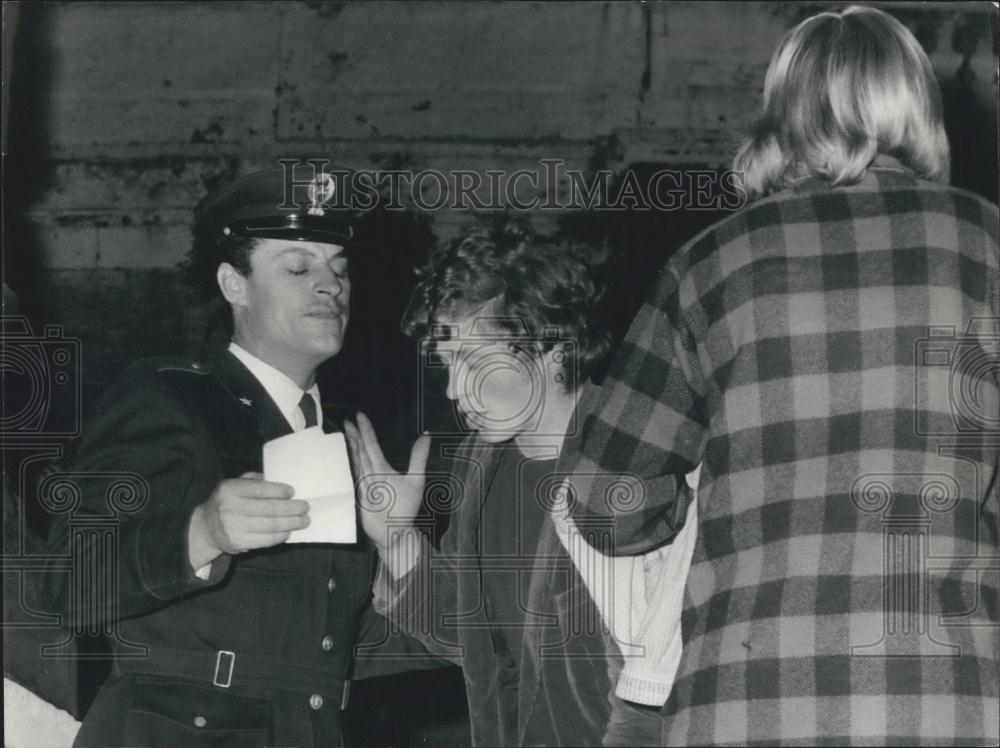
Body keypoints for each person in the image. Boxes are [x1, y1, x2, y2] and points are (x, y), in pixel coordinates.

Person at [557, 5, 999, 745]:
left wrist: (699, 495)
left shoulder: (711, 263)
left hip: (745, 704)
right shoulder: (987, 248)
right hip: (952, 703)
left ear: (782, 115)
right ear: (919, 109)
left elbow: (604, 502)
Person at [28, 165, 388, 747]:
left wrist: (403, 553)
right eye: (298, 267)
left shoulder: (348, 440)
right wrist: (202, 533)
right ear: (233, 284)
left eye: (339, 268)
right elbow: (65, 582)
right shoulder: (168, 398)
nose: (331, 286)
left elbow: (323, 644)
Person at [346, 222, 699, 746]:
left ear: (550, 346)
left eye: (472, 360)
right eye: (445, 364)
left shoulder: (639, 454)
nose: (453, 389)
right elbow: (469, 639)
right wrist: (397, 542)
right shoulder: (478, 464)